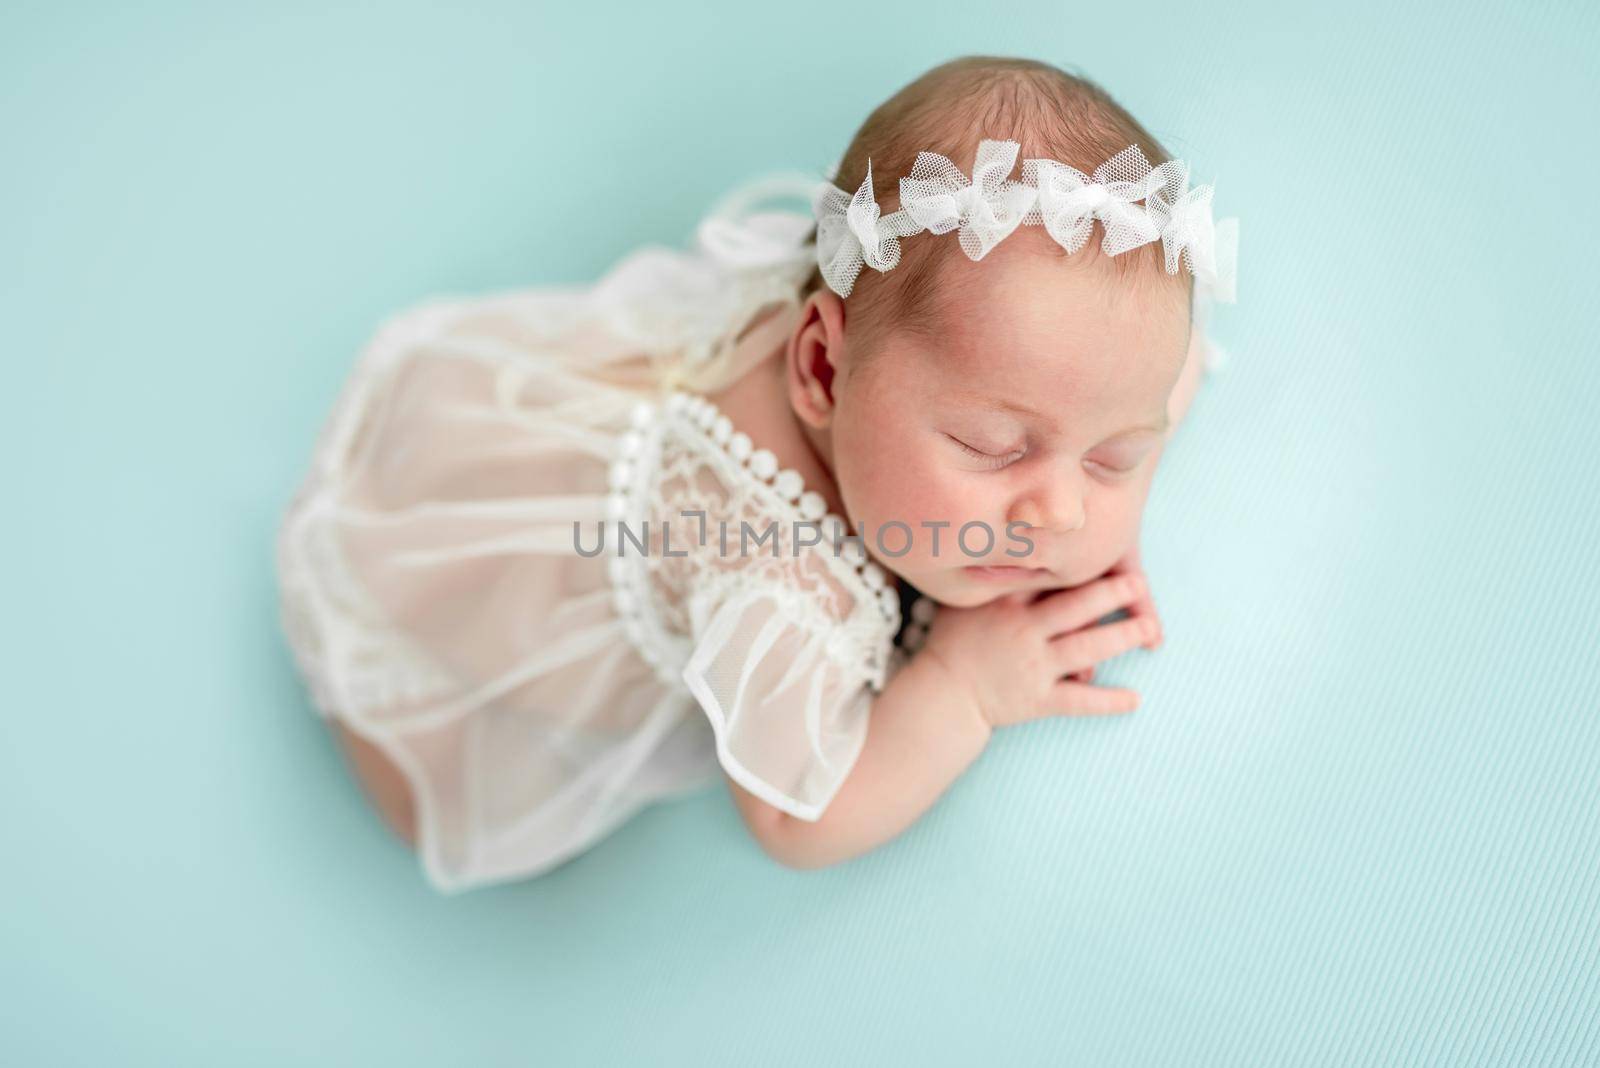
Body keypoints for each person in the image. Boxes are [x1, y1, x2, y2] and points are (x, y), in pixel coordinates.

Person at [274, 54, 1238, 893]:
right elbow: (795, 821)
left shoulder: (909, 313)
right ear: (820, 367)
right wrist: (961, 688)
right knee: (437, 769)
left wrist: (1111, 470)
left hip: (628, 429)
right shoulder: (776, 581)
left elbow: (1136, 368)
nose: (1062, 509)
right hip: (512, 605)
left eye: (1115, 456)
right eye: (994, 447)